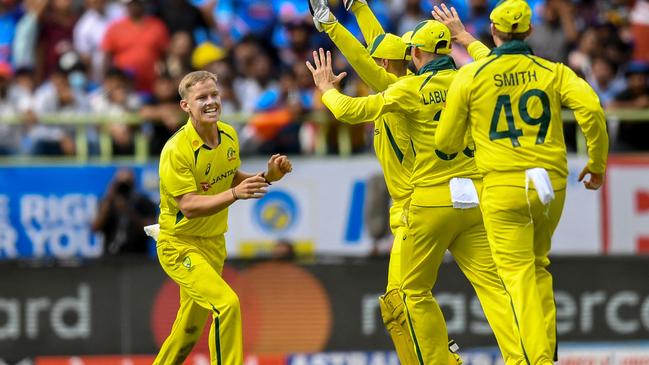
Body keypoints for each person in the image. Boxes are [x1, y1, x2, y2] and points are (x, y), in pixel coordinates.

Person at [307, 15, 524, 365]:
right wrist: (467, 38)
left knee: (404, 297)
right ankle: (528, 356)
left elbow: (359, 85)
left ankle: (438, 361)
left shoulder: (404, 90)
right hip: (473, 197)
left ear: (413, 55)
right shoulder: (471, 78)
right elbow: (378, 50)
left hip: (422, 204)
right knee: (494, 288)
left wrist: (326, 86)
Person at [435, 1, 609, 363]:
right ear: (529, 32)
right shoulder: (553, 71)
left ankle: (536, 360)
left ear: (494, 32)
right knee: (538, 264)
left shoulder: (471, 76)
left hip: (503, 185)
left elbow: (446, 143)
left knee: (516, 277)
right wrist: (596, 162)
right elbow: (591, 109)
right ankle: (545, 349)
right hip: (550, 184)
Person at [153, 70, 293, 364]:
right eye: (201, 98)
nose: (210, 102)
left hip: (213, 244)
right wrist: (235, 194)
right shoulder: (176, 150)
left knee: (188, 331)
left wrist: (269, 176)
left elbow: (229, 178)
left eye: (214, 95)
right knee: (226, 304)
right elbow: (188, 205)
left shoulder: (229, 134)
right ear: (185, 106)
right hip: (179, 244)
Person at [92, 167, 157, 255]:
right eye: (121, 184)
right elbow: (95, 228)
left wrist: (128, 211)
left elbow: (151, 229)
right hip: (110, 257)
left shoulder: (144, 202)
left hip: (137, 257)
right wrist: (109, 198)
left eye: (127, 183)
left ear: (133, 183)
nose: (124, 188)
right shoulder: (107, 202)